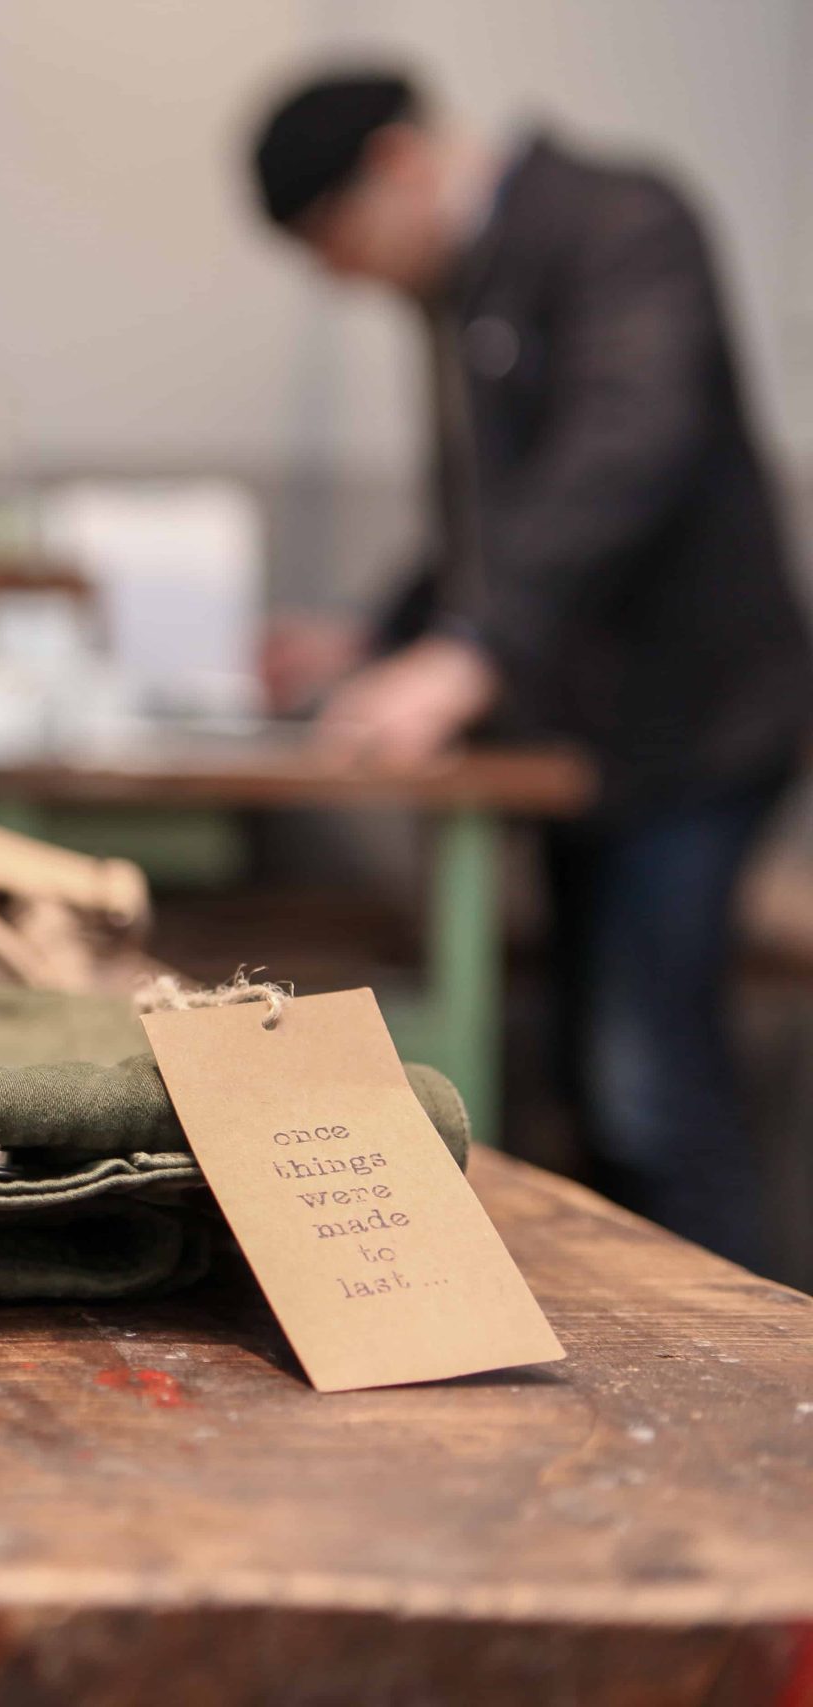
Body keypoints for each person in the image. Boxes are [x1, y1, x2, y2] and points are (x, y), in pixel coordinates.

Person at [247, 68, 813, 1268]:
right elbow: (493, 516)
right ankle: (643, 1348)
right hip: (583, 740)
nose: (341, 278)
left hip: (697, 727)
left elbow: (625, 455)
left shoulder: (620, 222)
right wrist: (380, 635)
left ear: (397, 164)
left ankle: (752, 1366)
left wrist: (470, 654)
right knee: (587, 1085)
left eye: (339, 241)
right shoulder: (471, 281)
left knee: (653, 1087)